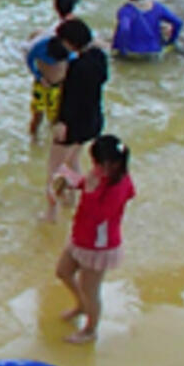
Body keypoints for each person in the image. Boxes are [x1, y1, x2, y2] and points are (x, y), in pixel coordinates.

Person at [54, 135, 134, 344]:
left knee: (91, 289)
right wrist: (73, 181)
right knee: (63, 271)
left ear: (110, 164)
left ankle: (91, 329)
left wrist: (89, 190)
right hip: (81, 236)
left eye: (97, 163)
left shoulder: (117, 186)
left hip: (99, 246)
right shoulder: (102, 174)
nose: (94, 167)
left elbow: (101, 214)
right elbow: (86, 182)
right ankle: (81, 305)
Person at [45, 18, 108, 220]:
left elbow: (70, 99)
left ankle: (52, 212)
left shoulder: (76, 67)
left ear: (70, 42)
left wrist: (61, 122)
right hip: (93, 121)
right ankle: (74, 200)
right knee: (73, 160)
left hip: (72, 125)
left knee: (54, 169)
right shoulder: (99, 57)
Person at [26, 0, 81, 140]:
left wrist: (38, 75)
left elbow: (28, 56)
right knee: (53, 119)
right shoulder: (67, 45)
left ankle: (34, 141)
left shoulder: (42, 41)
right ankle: (41, 141)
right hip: (54, 86)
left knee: (42, 117)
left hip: (45, 84)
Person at [112, 0, 182, 58]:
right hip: (154, 51)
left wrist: (122, 51)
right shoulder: (157, 7)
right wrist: (170, 42)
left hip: (133, 54)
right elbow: (178, 22)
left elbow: (124, 30)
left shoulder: (125, 11)